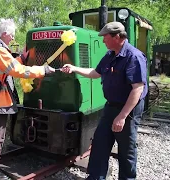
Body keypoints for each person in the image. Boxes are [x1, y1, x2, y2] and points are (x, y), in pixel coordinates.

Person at [62, 22, 147, 180]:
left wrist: (122, 117)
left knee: (126, 150)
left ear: (117, 37)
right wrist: (74, 68)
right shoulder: (110, 55)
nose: (102, 41)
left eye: (105, 37)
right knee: (100, 145)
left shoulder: (133, 56)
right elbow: (95, 72)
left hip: (127, 109)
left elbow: (137, 89)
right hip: (110, 107)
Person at [0, 18, 55, 180]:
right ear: (5, 34)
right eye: (12, 35)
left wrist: (21, 57)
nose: (13, 38)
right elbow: (18, 71)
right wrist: (42, 69)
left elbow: (7, 67)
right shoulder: (0, 51)